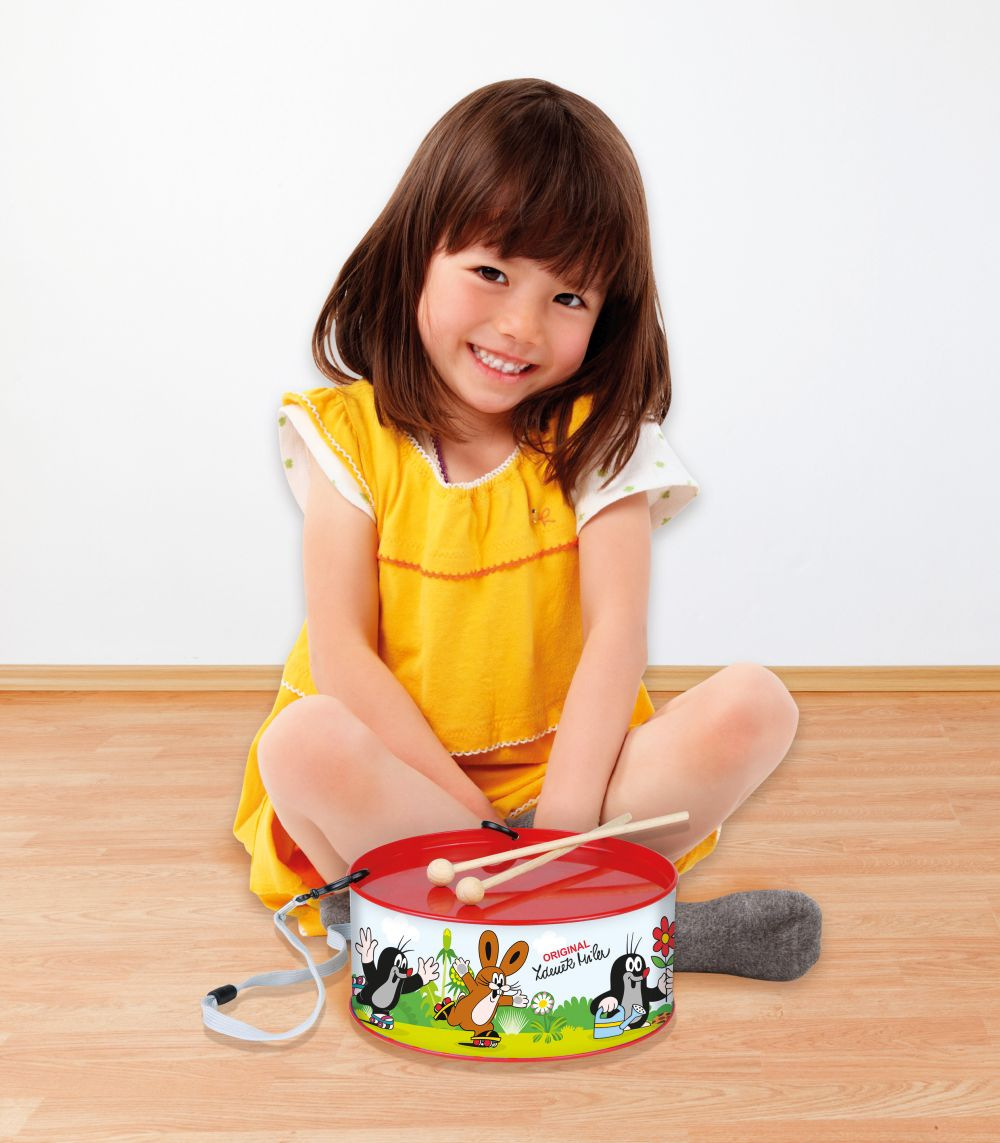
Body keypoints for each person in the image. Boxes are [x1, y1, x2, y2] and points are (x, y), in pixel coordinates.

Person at [235, 78, 820, 979]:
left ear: (608, 312)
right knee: (300, 743)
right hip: (413, 794)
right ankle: (603, 926)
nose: (520, 326)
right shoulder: (345, 435)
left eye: (569, 297)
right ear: (417, 253)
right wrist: (477, 829)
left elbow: (616, 634)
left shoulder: (601, 438)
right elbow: (343, 654)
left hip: (575, 792)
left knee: (756, 705)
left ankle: (477, 920)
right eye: (492, 272)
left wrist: (556, 829)